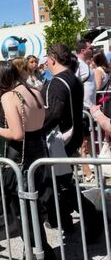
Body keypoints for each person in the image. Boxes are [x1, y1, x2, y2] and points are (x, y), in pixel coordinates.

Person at [0, 60, 55, 259]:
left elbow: (17, 134)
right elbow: (40, 121)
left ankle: (40, 253)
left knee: (22, 210)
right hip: (38, 154)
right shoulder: (33, 90)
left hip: (21, 159)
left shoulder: (9, 96)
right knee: (31, 208)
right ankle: (35, 252)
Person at [41, 43, 102, 242]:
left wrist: (35, 127)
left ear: (52, 59)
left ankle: (91, 218)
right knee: (59, 185)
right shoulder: (73, 79)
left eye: (47, 59)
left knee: (63, 186)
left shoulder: (57, 83)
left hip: (60, 141)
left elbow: (54, 113)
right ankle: (66, 221)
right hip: (70, 137)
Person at [75, 39, 96, 180]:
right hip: (82, 110)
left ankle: (90, 169)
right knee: (82, 143)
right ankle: (87, 173)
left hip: (88, 109)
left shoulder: (84, 64)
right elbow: (73, 84)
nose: (92, 49)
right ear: (83, 50)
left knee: (87, 141)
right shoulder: (77, 65)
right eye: (90, 48)